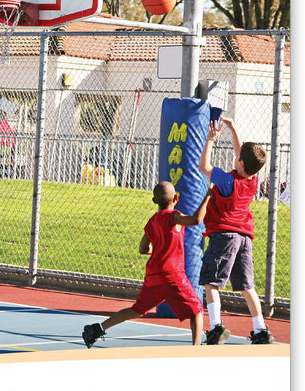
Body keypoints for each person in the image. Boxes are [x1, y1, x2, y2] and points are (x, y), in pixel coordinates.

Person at [82, 181, 211, 348]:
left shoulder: (152, 222)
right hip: (172, 274)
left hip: (154, 275)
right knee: (196, 310)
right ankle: (196, 349)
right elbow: (196, 219)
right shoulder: (174, 216)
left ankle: (98, 328)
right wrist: (207, 197)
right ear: (176, 199)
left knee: (137, 309)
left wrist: (158, 250)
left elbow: (143, 249)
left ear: (154, 201)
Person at [198, 116, 274, 345]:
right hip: (244, 238)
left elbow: (204, 167)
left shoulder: (228, 181)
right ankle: (261, 330)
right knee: (247, 286)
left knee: (211, 282)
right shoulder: (252, 180)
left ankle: (216, 327)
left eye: (238, 158)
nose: (236, 157)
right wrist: (233, 128)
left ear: (240, 163)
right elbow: (242, 155)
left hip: (224, 236)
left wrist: (211, 139)